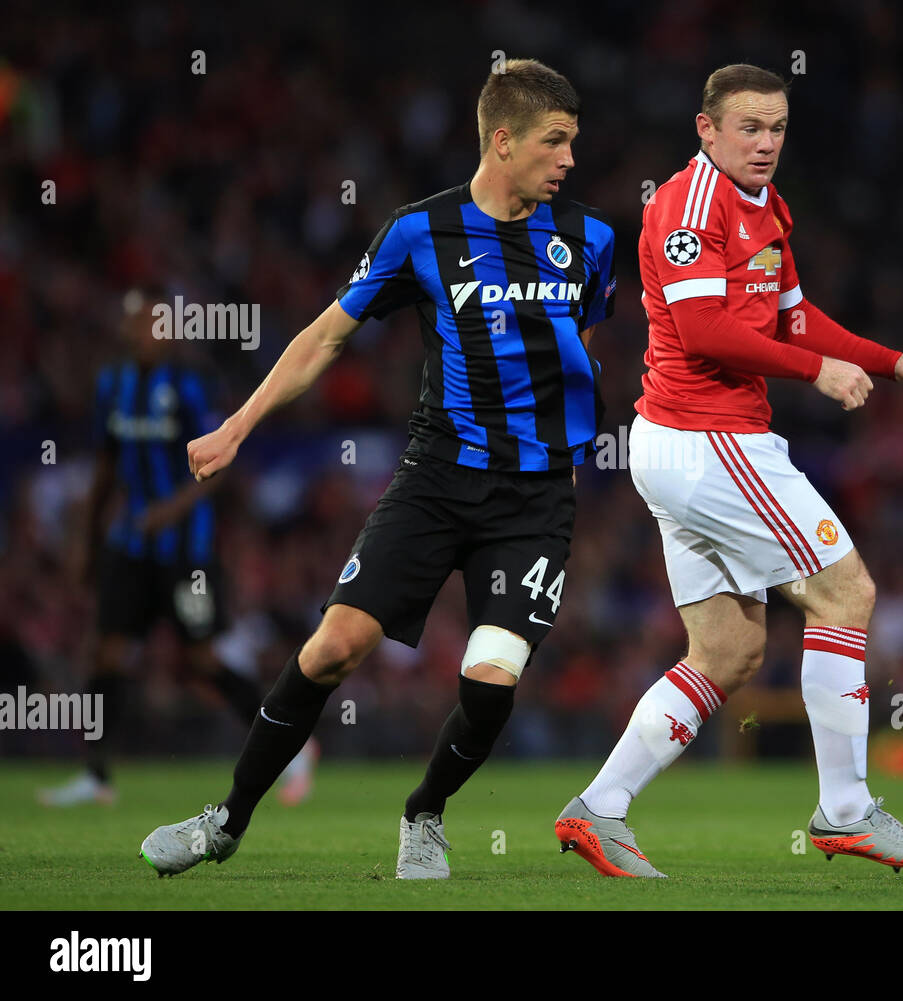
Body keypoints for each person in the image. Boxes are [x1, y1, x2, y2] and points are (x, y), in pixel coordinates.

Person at [140, 58, 615, 879]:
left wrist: (570, 445)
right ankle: (225, 819)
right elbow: (326, 336)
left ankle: (424, 813)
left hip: (535, 499)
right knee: (333, 648)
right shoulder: (418, 231)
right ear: (503, 142)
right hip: (437, 479)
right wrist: (239, 425)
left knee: (492, 680)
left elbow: (586, 340)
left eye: (573, 141)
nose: (570, 159)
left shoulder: (591, 241)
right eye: (556, 141)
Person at [555, 64, 903, 877]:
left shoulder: (767, 206)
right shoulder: (687, 205)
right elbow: (704, 330)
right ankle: (846, 812)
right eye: (749, 127)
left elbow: (794, 315)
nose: (767, 143)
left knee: (729, 650)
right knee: (846, 592)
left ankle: (598, 810)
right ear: (705, 129)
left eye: (777, 128)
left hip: (684, 447)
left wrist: (893, 361)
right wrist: (814, 374)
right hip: (709, 441)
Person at [40, 286, 317, 807]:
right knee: (106, 653)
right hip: (129, 543)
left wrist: (169, 510)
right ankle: (96, 776)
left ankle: (292, 745)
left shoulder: (190, 386)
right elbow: (105, 466)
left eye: (152, 322)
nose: (144, 332)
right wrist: (87, 540)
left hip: (186, 552)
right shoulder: (112, 385)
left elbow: (219, 461)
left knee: (200, 661)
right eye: (135, 323)